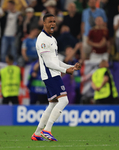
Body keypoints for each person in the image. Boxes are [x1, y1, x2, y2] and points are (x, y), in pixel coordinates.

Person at [31, 13, 81, 141]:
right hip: (50, 74)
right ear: (44, 23)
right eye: (50, 21)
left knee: (53, 104)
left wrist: (71, 67)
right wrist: (65, 70)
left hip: (53, 73)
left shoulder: (52, 39)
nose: (53, 23)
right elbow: (48, 63)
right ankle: (47, 130)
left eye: (54, 21)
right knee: (64, 101)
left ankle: (37, 133)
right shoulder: (42, 39)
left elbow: (56, 60)